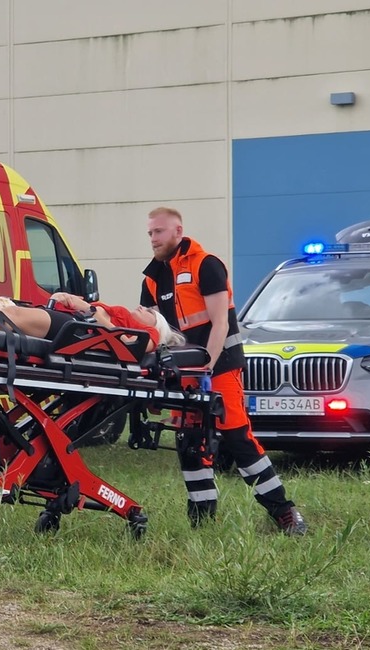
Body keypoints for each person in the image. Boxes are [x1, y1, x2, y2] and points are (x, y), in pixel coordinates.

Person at [141, 206, 307, 535]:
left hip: (221, 366)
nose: (153, 239)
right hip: (184, 373)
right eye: (149, 233)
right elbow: (155, 332)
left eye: (158, 232)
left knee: (236, 437)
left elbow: (220, 323)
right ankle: (202, 521)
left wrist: (206, 368)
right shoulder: (152, 277)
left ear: (177, 231)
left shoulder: (206, 264)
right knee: (190, 443)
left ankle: (284, 512)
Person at [0, 288, 185, 353]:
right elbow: (91, 310)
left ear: (154, 323)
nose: (142, 307)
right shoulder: (127, 317)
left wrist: (99, 315)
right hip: (72, 322)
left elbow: (127, 345)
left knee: (5, 317)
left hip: (72, 332)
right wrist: (73, 300)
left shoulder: (149, 335)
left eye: (149, 311)